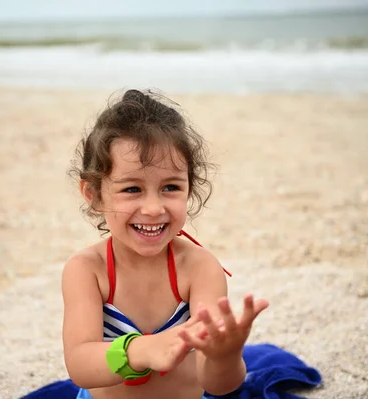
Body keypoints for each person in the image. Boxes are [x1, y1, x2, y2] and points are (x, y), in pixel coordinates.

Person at [62, 89, 269, 399]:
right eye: (132, 189)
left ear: (189, 189)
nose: (153, 208)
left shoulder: (199, 268)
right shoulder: (87, 270)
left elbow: (217, 384)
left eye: (170, 187)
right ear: (94, 195)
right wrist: (142, 350)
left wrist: (223, 357)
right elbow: (80, 365)